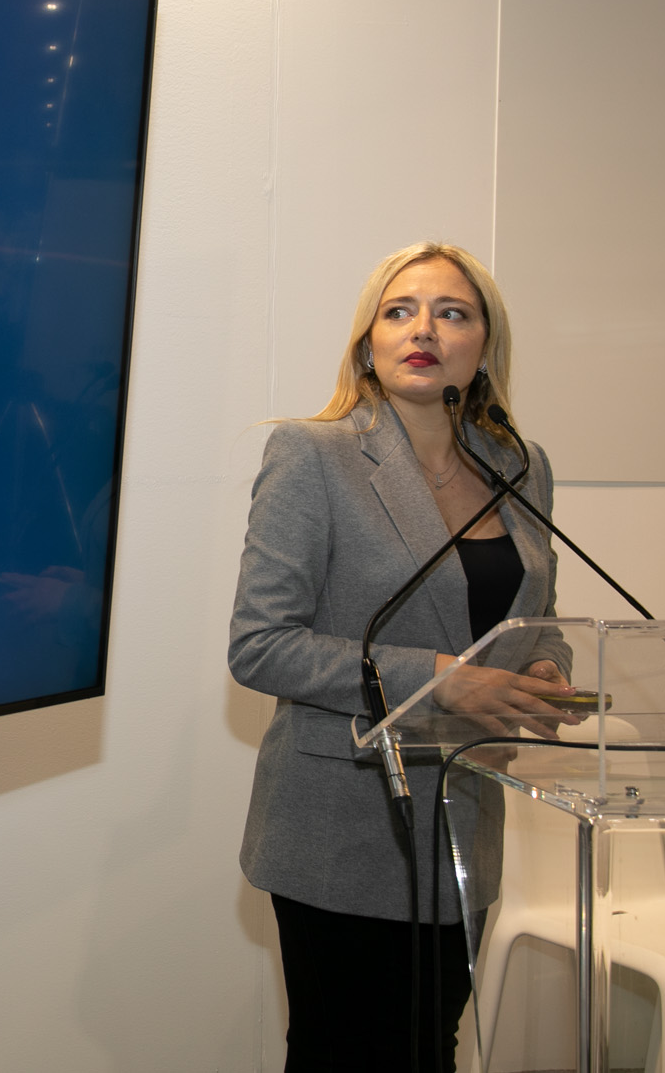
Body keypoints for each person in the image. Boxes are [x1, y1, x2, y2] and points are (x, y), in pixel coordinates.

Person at [227, 242, 572, 1072]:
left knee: (430, 1049)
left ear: (484, 345)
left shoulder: (521, 468)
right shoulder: (314, 455)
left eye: (453, 313)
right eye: (400, 311)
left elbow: (537, 614)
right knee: (345, 1054)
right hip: (342, 824)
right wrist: (443, 680)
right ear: (367, 342)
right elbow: (260, 643)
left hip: (463, 820)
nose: (425, 329)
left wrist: (544, 666)